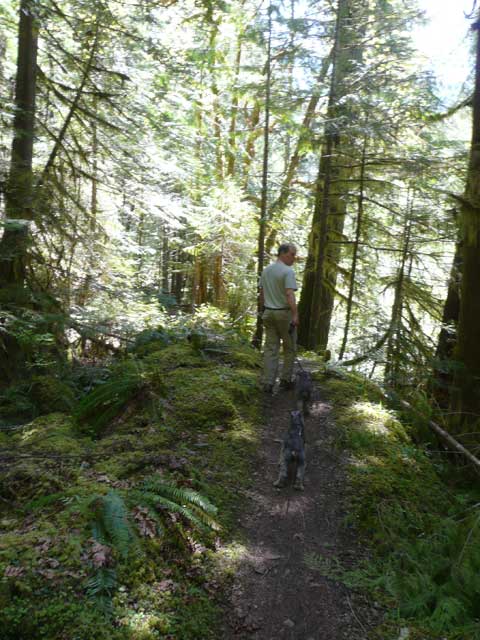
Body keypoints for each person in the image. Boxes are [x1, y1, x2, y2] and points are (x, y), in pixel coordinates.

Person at [259, 243, 299, 393]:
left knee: (270, 349)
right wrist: (295, 315)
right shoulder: (288, 272)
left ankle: (268, 383)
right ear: (282, 253)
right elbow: (289, 294)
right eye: (292, 254)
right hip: (284, 314)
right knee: (289, 348)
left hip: (268, 313)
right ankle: (285, 380)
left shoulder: (266, 270)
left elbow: (262, 294)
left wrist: (263, 310)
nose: (294, 258)